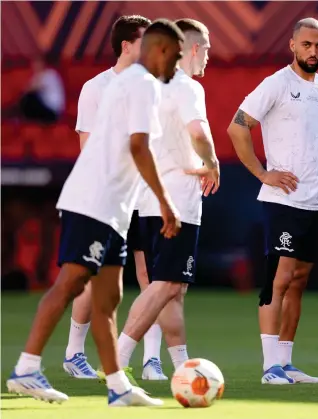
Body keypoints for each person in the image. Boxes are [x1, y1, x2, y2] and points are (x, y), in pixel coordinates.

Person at [6, 19, 185, 406]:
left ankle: (118, 387)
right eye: (176, 54)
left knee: (109, 297)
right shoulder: (142, 85)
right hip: (95, 201)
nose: (179, 62)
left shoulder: (128, 82)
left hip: (113, 206)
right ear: (159, 50)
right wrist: (166, 203)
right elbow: (139, 147)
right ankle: (26, 369)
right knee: (70, 283)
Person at [64, 14, 171, 382]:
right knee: (91, 276)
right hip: (108, 197)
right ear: (126, 45)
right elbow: (87, 146)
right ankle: (73, 353)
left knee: (152, 278)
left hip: (144, 197)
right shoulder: (96, 88)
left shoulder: (151, 86)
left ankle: (151, 359)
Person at [227, 17, 318, 385]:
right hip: (282, 198)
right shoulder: (276, 84)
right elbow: (237, 127)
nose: (313, 51)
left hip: (313, 200)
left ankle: (286, 363)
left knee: (300, 279)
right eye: (307, 44)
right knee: (279, 277)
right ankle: (269, 366)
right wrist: (262, 173)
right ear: (292, 45)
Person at [115, 18, 219, 374]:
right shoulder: (186, 87)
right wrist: (212, 161)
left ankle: (180, 367)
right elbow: (199, 133)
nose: (209, 56)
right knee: (164, 285)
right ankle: (119, 356)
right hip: (176, 200)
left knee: (174, 288)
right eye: (206, 48)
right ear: (192, 49)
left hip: (146, 197)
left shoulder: (148, 86)